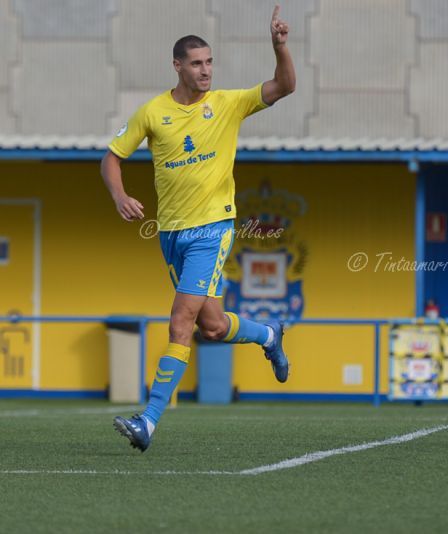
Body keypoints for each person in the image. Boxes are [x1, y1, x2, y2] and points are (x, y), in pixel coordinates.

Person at [100, 6, 296, 452]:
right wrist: (119, 195)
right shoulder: (153, 113)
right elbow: (111, 157)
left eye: (209, 62)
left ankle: (148, 420)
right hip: (170, 234)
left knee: (181, 320)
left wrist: (280, 47)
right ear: (177, 66)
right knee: (211, 325)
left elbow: (285, 86)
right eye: (196, 63)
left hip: (213, 228)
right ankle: (269, 335)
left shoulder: (227, 104)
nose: (206, 70)